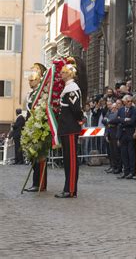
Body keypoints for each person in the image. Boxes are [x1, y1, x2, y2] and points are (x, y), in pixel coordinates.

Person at [55, 57, 87, 198]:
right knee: (67, 160)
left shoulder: (72, 88)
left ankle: (71, 189)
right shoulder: (68, 88)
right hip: (66, 128)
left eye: (62, 72)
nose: (60, 74)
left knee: (71, 160)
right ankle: (67, 187)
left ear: (69, 74)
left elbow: (75, 109)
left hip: (70, 128)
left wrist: (80, 119)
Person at [24, 63, 48, 192]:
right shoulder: (31, 94)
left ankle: (39, 183)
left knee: (39, 158)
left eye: (32, 80)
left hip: (38, 128)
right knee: (33, 157)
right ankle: (37, 182)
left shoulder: (41, 93)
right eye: (29, 80)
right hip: (31, 127)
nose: (30, 82)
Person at [116, 95, 136, 180]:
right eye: (128, 101)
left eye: (131, 101)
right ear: (124, 102)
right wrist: (125, 119)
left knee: (131, 154)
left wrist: (122, 120)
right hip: (122, 134)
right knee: (123, 154)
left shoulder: (134, 110)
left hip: (130, 134)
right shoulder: (121, 109)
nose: (129, 103)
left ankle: (132, 172)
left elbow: (132, 121)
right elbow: (118, 120)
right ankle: (126, 172)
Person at [103, 102, 121, 174]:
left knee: (116, 152)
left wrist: (109, 121)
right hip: (110, 134)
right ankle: (113, 166)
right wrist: (106, 134)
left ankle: (117, 167)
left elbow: (115, 121)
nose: (113, 109)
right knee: (111, 152)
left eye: (114, 107)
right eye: (112, 108)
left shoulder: (118, 114)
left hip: (115, 134)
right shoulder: (109, 114)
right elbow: (105, 123)